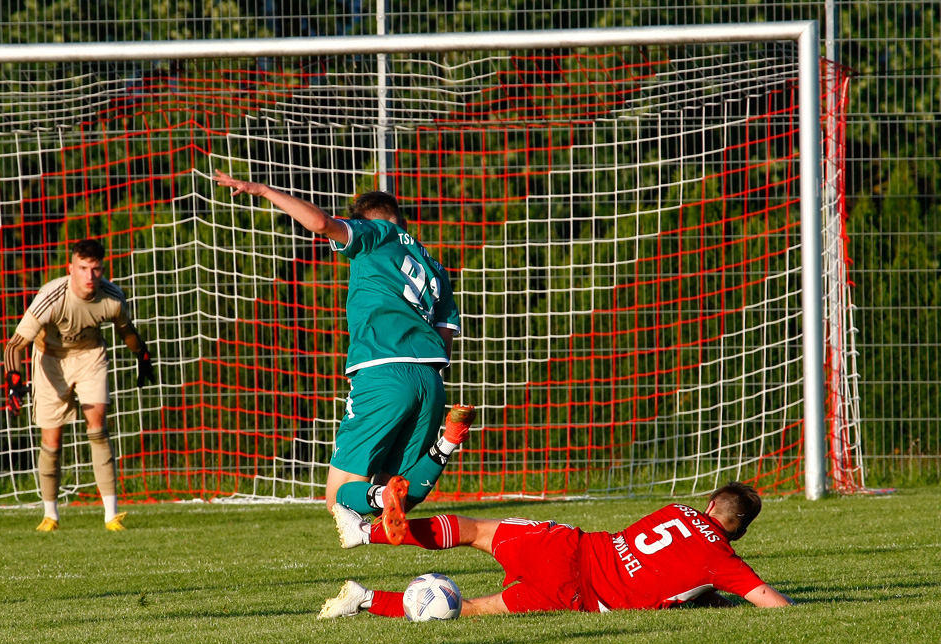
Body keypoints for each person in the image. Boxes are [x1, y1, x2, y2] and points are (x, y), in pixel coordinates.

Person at [213, 170, 475, 545]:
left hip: (383, 372)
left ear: (366, 221)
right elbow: (446, 338)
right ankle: (447, 441)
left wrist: (261, 188)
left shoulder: (375, 234)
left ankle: (399, 482)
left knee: (337, 497)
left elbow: (320, 223)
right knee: (394, 489)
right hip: (431, 381)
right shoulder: (435, 267)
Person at [318, 481, 794, 618]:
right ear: (740, 532)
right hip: (576, 591)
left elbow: (671, 557)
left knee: (472, 529)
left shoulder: (676, 509)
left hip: (565, 544)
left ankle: (363, 531)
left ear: (709, 503)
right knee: (468, 610)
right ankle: (362, 599)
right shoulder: (723, 561)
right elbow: (771, 602)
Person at [4, 238, 155, 532]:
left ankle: (111, 516)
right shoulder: (51, 296)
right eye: (83, 268)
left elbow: (127, 331)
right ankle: (50, 515)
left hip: (90, 356)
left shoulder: (112, 298)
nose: (90, 276)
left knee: (98, 427)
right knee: (52, 440)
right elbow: (15, 345)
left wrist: (143, 356)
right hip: (50, 359)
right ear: (70, 267)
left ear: (102, 268)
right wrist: (14, 380)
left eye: (96, 269)